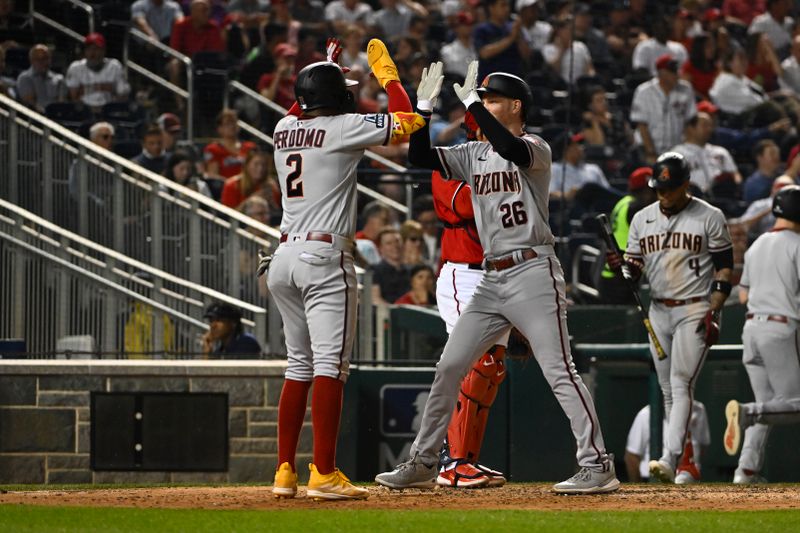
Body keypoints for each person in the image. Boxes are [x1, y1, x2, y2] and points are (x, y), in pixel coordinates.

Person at [375, 60, 620, 494]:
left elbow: (511, 149)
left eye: (492, 99)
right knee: (450, 367)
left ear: (516, 105)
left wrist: (471, 102)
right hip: (491, 278)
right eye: (482, 98)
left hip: (532, 270)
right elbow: (418, 158)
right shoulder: (474, 152)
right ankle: (424, 461)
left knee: (559, 370)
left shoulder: (535, 146)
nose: (483, 104)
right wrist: (425, 108)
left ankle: (598, 464)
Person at [266, 39, 424, 500]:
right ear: (338, 99)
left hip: (283, 258)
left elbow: (303, 105)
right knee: (331, 368)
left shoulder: (282, 127)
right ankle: (323, 472)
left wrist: (327, 67)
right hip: (323, 257)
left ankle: (283, 473)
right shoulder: (342, 127)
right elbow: (410, 122)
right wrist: (390, 80)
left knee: (298, 366)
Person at [607, 152, 733, 484]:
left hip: (694, 307)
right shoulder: (642, 218)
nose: (663, 194)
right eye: (659, 188)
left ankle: (670, 457)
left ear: (685, 185)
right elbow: (634, 270)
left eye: (670, 188)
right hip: (658, 309)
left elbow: (724, 266)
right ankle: (679, 461)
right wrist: (621, 266)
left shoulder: (710, 216)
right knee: (667, 389)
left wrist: (715, 309)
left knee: (681, 383)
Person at [429, 115, 510, 488]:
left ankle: (467, 460)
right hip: (463, 272)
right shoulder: (451, 160)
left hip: (498, 273)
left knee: (492, 369)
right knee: (479, 363)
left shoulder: (506, 160)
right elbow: (470, 206)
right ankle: (452, 462)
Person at [723, 185, 800, 484]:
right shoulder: (797, 244)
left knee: (769, 402)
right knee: (793, 404)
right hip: (780, 329)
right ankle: (747, 411)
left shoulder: (756, 246)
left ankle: (746, 471)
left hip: (751, 329)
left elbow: (743, 295)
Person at [598, 167, 657, 305]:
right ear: (644, 190)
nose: (656, 195)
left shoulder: (624, 202)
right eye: (652, 191)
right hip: (622, 276)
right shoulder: (636, 207)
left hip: (612, 274)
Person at [630, 54, 697, 164]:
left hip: (678, 149)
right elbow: (642, 126)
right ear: (661, 73)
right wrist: (650, 152)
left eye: (676, 70)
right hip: (649, 149)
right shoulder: (644, 91)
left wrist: (687, 149)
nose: (677, 75)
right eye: (672, 71)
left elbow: (690, 122)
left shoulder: (686, 89)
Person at [625, 400, 710, 484]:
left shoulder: (699, 409)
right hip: (653, 481)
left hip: (688, 479)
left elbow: (703, 447)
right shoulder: (646, 414)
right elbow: (631, 457)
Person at [669, 112, 741, 195]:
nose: (709, 129)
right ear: (690, 128)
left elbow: (735, 175)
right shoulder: (676, 153)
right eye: (705, 125)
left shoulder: (720, 151)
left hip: (722, 196)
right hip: (692, 198)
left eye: (711, 125)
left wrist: (735, 184)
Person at [65, 33, 130, 112]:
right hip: (84, 113)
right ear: (85, 51)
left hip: (109, 112)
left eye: (96, 49)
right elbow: (74, 97)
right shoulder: (75, 67)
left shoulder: (114, 66)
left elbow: (122, 95)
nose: (92, 53)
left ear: (104, 50)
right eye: (89, 49)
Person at [473, 0, 529, 82]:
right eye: (503, 5)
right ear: (491, 8)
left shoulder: (514, 28)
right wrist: (510, 39)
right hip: (490, 82)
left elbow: (526, 55)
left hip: (513, 80)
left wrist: (518, 35)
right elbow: (484, 53)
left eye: (508, 6)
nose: (507, 9)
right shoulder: (482, 29)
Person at [738, 175, 797, 244]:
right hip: (762, 242)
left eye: (789, 187)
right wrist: (769, 210)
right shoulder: (759, 205)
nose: (784, 189)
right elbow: (742, 226)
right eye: (780, 185)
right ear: (773, 188)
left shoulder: (797, 207)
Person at [202, 108, 257, 181]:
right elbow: (213, 176)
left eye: (234, 122)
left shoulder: (250, 147)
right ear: (219, 129)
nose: (232, 126)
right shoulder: (213, 149)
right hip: (225, 188)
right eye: (227, 123)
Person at [16, 44, 65, 113]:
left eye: (46, 58)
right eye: (39, 59)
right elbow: (30, 104)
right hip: (34, 118)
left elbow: (61, 104)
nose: (43, 62)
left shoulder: (59, 79)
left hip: (56, 118)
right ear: (31, 60)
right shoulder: (24, 78)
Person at [371, 227, 410, 304]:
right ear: (381, 248)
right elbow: (375, 299)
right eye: (389, 243)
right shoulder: (374, 271)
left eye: (397, 241)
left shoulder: (411, 271)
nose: (395, 246)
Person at [743, 139, 782, 203]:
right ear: (759, 158)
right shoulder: (753, 183)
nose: (776, 157)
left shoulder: (783, 176)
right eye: (772, 153)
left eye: (777, 154)